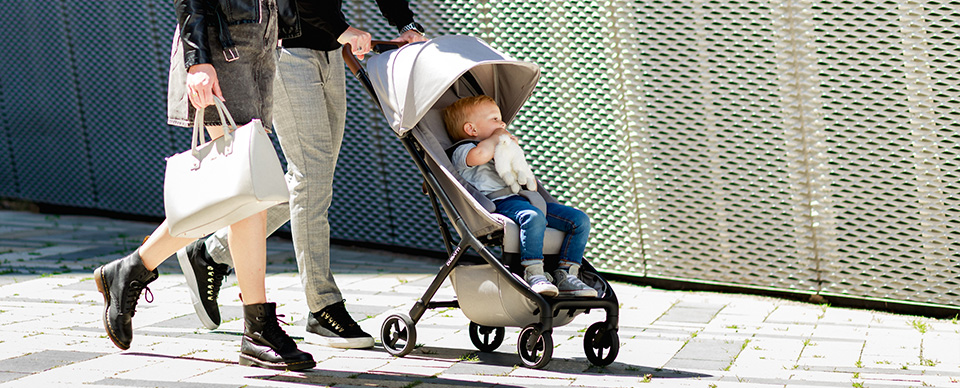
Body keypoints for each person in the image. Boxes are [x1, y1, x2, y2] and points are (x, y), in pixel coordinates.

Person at [175, 0, 428, 349]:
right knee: (312, 178)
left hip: (330, 53)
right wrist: (344, 30)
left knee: (311, 181)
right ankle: (322, 306)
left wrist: (406, 25)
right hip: (287, 55)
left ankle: (212, 252)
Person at [93, 0, 314, 371]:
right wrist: (196, 59)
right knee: (248, 190)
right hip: (219, 46)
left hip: (261, 39)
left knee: (241, 189)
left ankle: (132, 268)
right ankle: (257, 326)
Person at [442, 95, 598, 298]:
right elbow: (480, 155)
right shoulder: (463, 151)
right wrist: (498, 136)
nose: (502, 124)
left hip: (524, 198)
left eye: (501, 120)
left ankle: (567, 274)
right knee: (532, 217)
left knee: (579, 220)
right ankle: (534, 273)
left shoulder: (500, 146)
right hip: (498, 204)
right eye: (494, 119)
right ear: (472, 129)